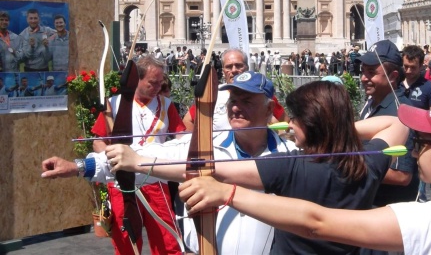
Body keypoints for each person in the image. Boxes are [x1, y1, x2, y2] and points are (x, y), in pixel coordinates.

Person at [45, 75, 408, 255]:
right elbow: (145, 161)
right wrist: (80, 166)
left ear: (270, 107)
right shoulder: (203, 143)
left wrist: (142, 162)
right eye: (232, 98)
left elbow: (204, 171)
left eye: (247, 101)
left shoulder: (289, 156)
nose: (236, 106)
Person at [179, 101, 431, 255]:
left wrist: (227, 193)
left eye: (422, 142)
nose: (415, 150)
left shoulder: (427, 219)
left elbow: (316, 221)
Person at [91, 56, 186, 255]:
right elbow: (98, 141)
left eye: (161, 82)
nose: (158, 87)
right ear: (138, 80)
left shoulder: (166, 105)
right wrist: (111, 158)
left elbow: (181, 138)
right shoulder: (114, 105)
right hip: (122, 183)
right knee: (126, 240)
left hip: (156, 179)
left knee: (167, 239)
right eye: (153, 82)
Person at [359, 40, 419, 219]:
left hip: (389, 214)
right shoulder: (372, 101)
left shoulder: (401, 113)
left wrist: (347, 166)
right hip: (370, 206)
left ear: (392, 76)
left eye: (371, 73)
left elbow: (402, 175)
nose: (363, 78)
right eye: (362, 71)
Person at [183, 48, 249, 132]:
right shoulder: (212, 93)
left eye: (239, 66)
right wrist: (195, 143)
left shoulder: (261, 94)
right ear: (223, 71)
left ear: (247, 68)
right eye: (229, 67)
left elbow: (271, 120)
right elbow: (188, 120)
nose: (234, 70)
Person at [401, 45, 431, 110]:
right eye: (406, 66)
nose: (408, 71)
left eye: (413, 67)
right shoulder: (395, 85)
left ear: (420, 66)